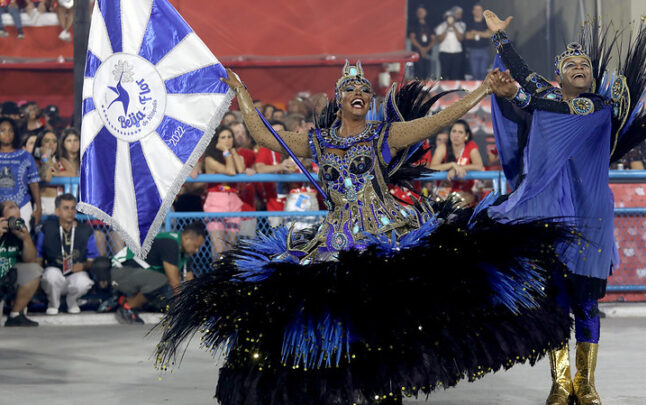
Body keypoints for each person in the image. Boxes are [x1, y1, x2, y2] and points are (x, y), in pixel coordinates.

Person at [156, 61, 579, 405]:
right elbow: (264, 135)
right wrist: (243, 96)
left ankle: (388, 389)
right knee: (338, 317)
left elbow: (438, 121)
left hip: (386, 234)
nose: (359, 95)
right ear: (338, 99)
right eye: (350, 90)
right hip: (335, 240)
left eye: (365, 91)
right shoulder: (319, 141)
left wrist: (483, 91)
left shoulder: (384, 135)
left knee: (394, 317)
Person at [482, 10, 646, 405]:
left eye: (585, 64)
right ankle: (561, 382)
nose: (580, 67)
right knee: (556, 302)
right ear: (560, 75)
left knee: (585, 302)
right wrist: (502, 41)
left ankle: (586, 384)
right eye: (571, 65)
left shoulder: (600, 108)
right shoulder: (545, 100)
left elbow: (530, 91)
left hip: (591, 212)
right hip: (551, 212)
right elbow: (525, 83)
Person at [110, 221, 206, 324]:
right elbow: (174, 283)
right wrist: (183, 312)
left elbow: (190, 283)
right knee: (161, 280)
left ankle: (122, 300)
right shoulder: (170, 243)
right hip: (118, 272)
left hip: (136, 275)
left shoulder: (185, 253)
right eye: (196, 246)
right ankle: (127, 307)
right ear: (187, 238)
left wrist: (195, 305)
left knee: (162, 302)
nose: (197, 251)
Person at [37, 194, 97, 314]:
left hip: (75, 273)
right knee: (50, 276)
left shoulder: (85, 231)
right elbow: (38, 255)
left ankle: (72, 302)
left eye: (72, 208)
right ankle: (53, 304)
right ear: (57, 211)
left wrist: (83, 266)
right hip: (55, 271)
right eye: (66, 208)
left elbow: (92, 259)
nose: (70, 212)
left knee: (83, 282)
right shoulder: (47, 228)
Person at [202, 125, 250, 256]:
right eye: (223, 137)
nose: (227, 140)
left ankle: (229, 276)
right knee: (220, 251)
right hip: (215, 203)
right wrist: (226, 151)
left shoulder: (236, 156)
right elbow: (230, 171)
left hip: (234, 203)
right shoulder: (209, 159)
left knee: (230, 251)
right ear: (216, 140)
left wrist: (233, 152)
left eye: (230, 137)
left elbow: (240, 170)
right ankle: (219, 276)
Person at [0, 200, 43, 326]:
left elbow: (31, 260)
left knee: (34, 270)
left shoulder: (18, 232)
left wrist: (26, 239)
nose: (15, 221)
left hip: (8, 275)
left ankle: (15, 314)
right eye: (12, 207)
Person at [430, 119, 485, 206]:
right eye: (454, 131)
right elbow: (431, 168)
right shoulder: (442, 147)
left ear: (466, 135)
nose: (456, 135)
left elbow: (479, 165)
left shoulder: (471, 146)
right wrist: (453, 165)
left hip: (466, 197)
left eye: (460, 132)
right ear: (450, 133)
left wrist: (460, 168)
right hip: (443, 195)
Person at [0, 117, 42, 228]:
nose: (7, 134)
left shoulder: (25, 156)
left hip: (22, 207)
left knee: (23, 237)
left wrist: (38, 208)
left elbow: (34, 183)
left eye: (10, 130)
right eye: (2, 130)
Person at [465, 3, 493, 79]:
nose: (477, 11)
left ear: (482, 11)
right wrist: (483, 33)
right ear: (473, 11)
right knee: (474, 73)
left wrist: (475, 33)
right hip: (472, 50)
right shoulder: (469, 23)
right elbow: (467, 36)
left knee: (483, 72)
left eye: (479, 9)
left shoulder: (486, 22)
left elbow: (489, 34)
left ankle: (483, 89)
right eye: (476, 9)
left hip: (484, 49)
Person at [435, 9, 465, 80]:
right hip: (445, 53)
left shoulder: (459, 26)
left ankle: (454, 89)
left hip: (457, 53)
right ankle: (443, 89)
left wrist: (454, 27)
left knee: (455, 73)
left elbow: (461, 38)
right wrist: (447, 28)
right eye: (449, 17)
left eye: (452, 17)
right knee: (444, 73)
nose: (450, 19)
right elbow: (440, 39)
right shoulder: (441, 26)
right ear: (446, 18)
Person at [408, 4, 435, 80]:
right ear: (416, 13)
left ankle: (427, 90)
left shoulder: (430, 24)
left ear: (426, 12)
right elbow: (412, 39)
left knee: (427, 72)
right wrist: (421, 49)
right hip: (417, 52)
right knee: (418, 72)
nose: (420, 13)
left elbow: (433, 39)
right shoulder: (413, 24)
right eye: (419, 12)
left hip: (428, 52)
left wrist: (426, 49)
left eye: (422, 11)